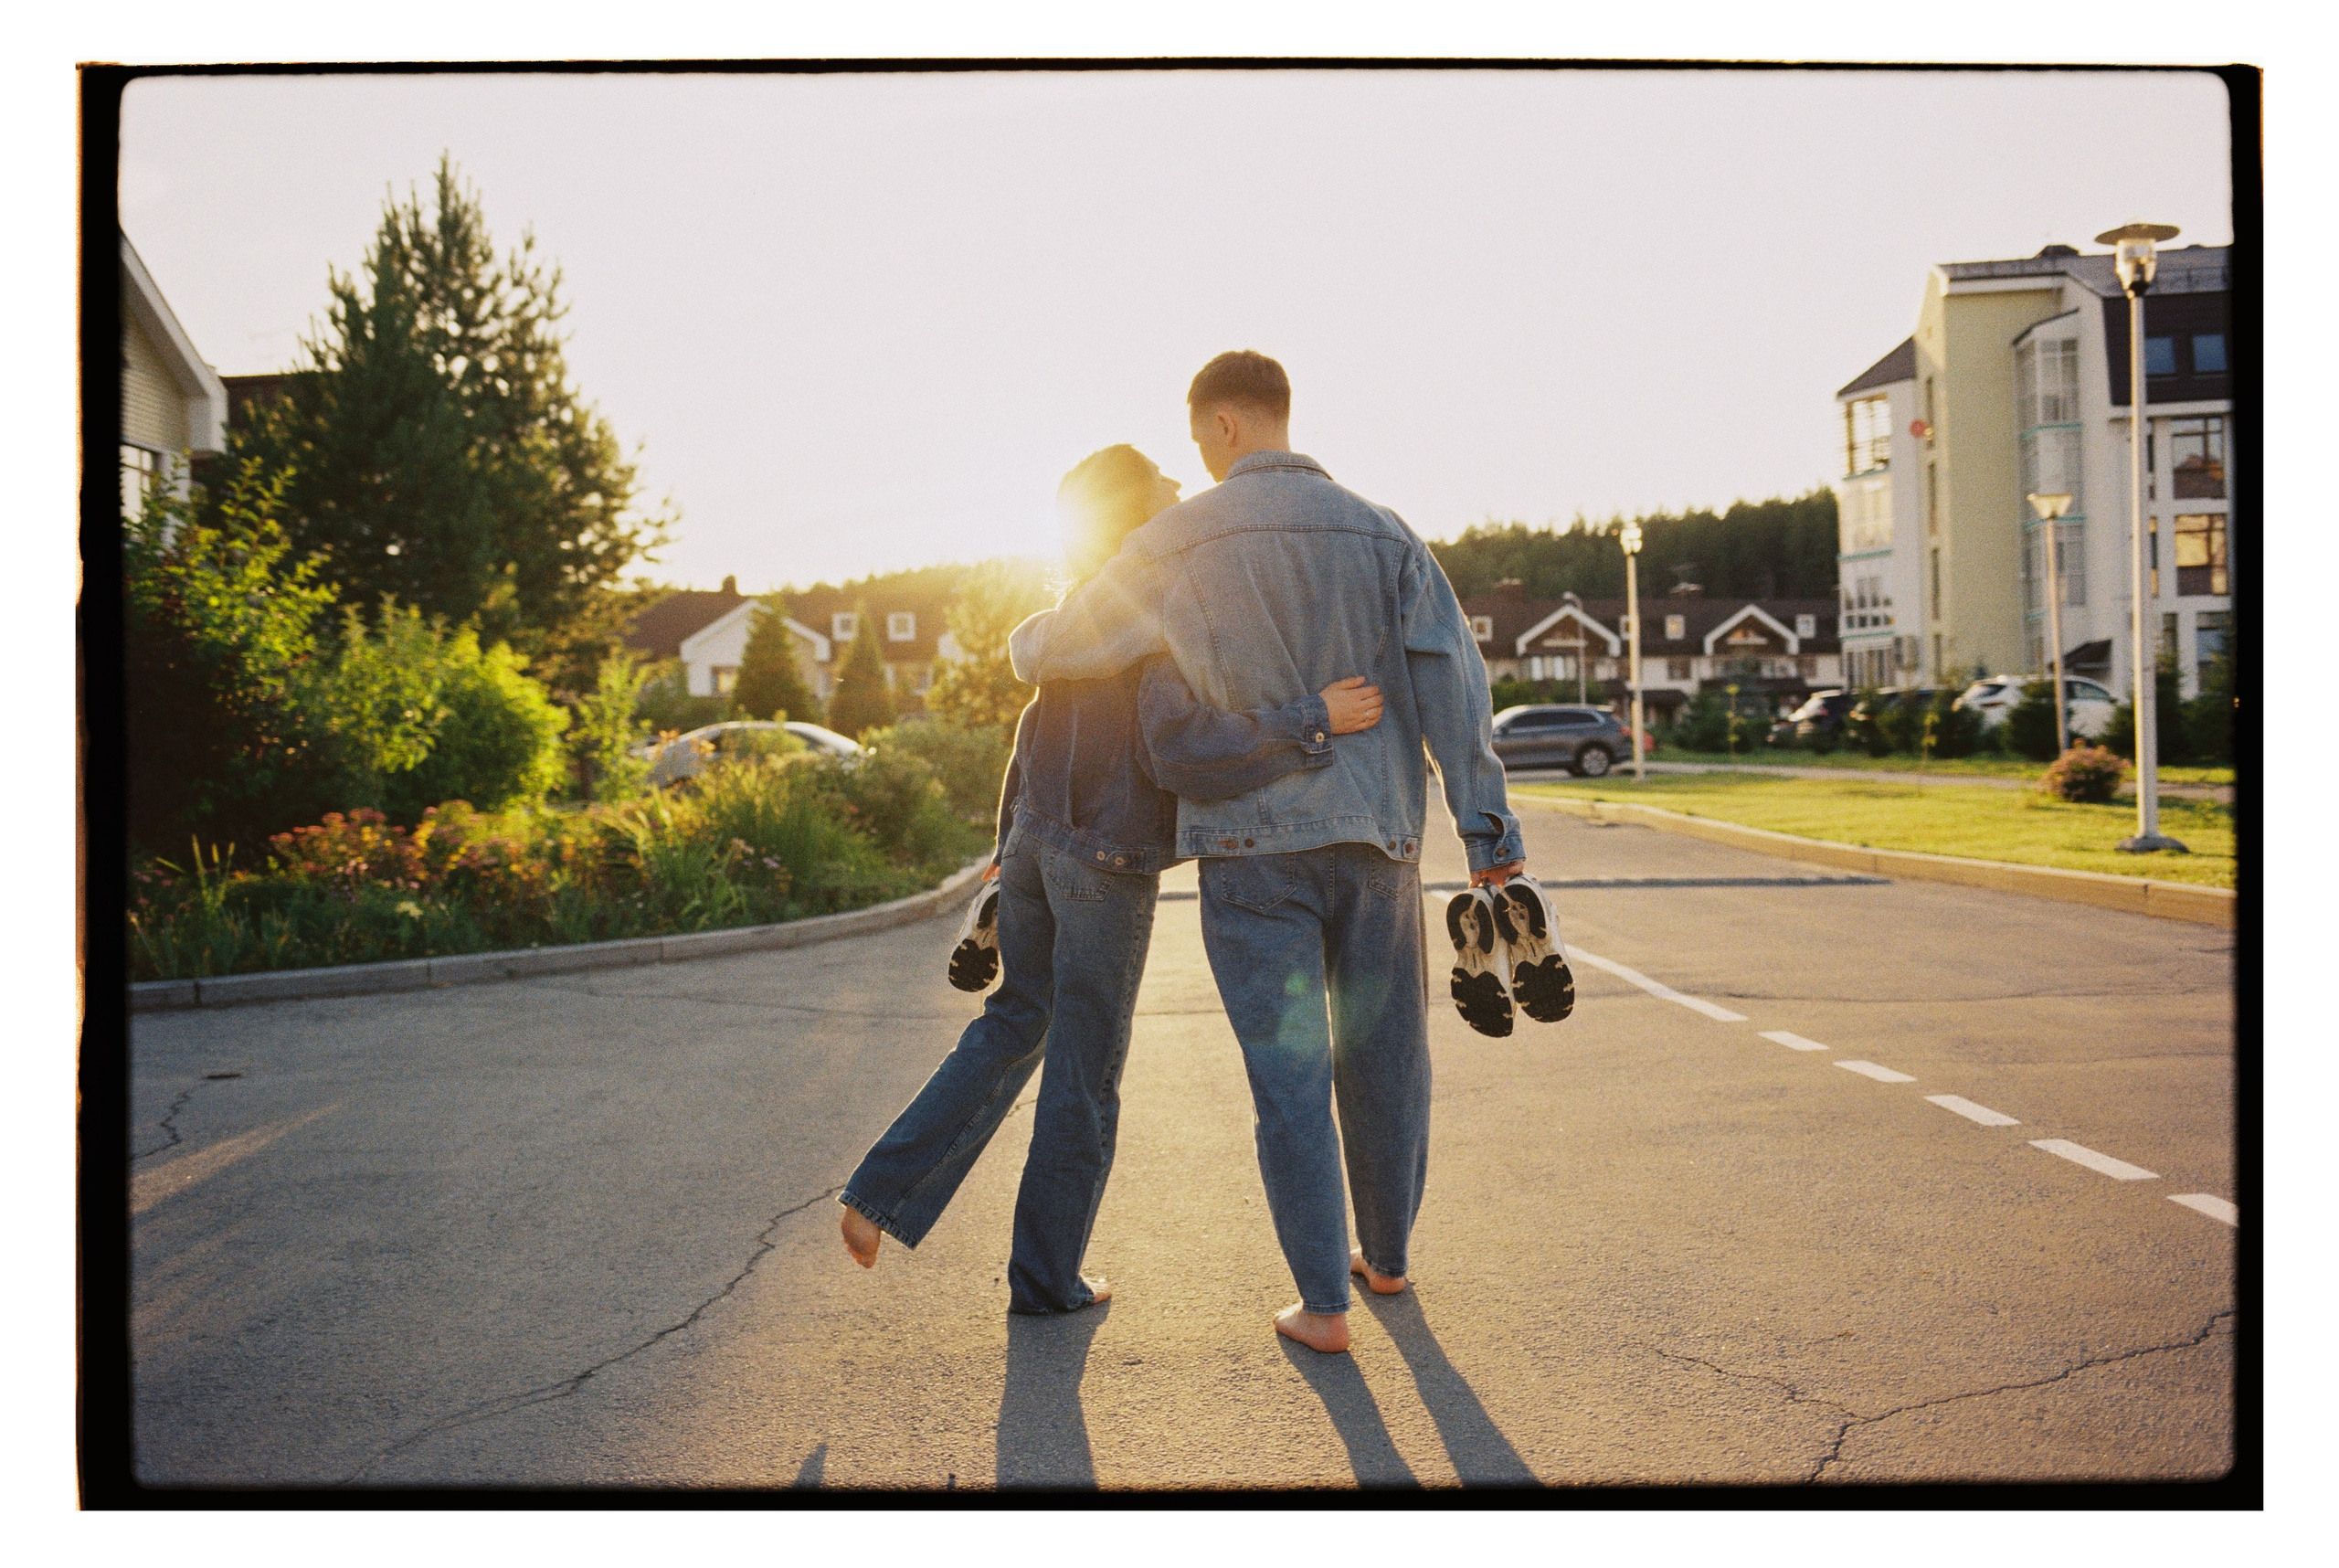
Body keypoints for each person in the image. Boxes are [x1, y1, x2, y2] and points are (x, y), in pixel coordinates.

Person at [1009, 350, 1566, 1355]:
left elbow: (1067, 645)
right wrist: (1491, 837)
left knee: (1290, 1077)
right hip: (1379, 836)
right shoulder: (1384, 530)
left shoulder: (1171, 541)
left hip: (1250, 847)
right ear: (1277, 414)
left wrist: (1021, 646)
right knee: (1389, 1054)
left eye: (1196, 441)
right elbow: (1455, 687)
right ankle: (1386, 1257)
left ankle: (1323, 1304)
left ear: (1221, 425)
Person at [837, 443, 1387, 1316]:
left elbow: (1028, 734)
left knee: (1014, 1021)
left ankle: (876, 1196)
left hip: (1033, 844)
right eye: (1168, 494)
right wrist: (1311, 717)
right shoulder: (1159, 611)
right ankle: (1047, 1278)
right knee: (1085, 1076)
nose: (1184, 505)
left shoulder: (1078, 613)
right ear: (1140, 514)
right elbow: (1183, 749)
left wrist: (1002, 844)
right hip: (1103, 859)